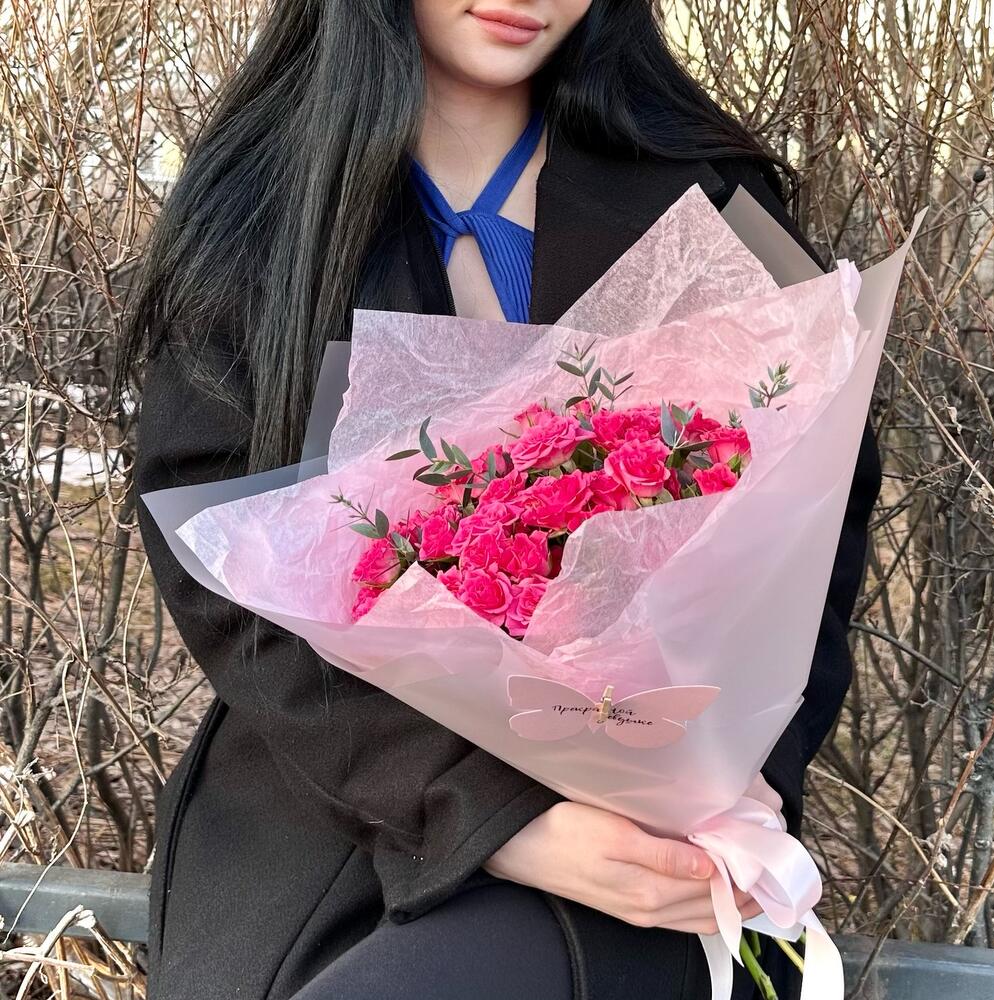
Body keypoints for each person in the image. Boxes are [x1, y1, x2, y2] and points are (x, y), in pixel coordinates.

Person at [117, 2, 881, 998]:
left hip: (653, 825)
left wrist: (714, 781)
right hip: (342, 787)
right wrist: (492, 817)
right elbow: (218, 559)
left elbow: (813, 536)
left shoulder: (703, 199)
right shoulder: (265, 218)